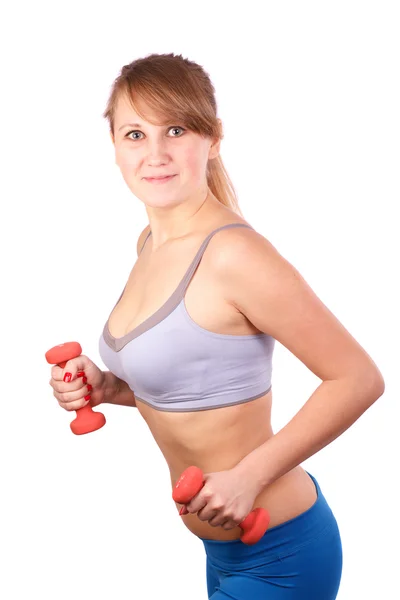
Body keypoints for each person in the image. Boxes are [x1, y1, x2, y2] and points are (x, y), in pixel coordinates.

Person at [48, 53, 385, 599]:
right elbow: (199, 387)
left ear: (213, 138)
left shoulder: (234, 254)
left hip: (282, 555)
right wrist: (110, 388)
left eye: (175, 129)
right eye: (135, 134)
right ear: (113, 146)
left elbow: (358, 379)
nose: (155, 154)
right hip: (220, 552)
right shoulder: (151, 244)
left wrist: (249, 478)